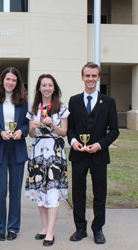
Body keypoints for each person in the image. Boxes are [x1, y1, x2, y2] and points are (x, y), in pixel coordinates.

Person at [67, 62, 119, 244]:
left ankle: (98, 229)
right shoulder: (73, 101)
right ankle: (80, 228)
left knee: (100, 193)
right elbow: (70, 129)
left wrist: (100, 145)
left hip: (99, 156)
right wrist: (73, 142)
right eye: (87, 75)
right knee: (78, 193)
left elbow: (114, 131)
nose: (90, 79)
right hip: (79, 155)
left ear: (98, 78)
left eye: (93, 76)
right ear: (82, 77)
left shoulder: (109, 102)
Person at [25, 74, 69, 247]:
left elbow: (64, 132)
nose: (47, 88)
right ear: (39, 88)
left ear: (54, 87)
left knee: (52, 191)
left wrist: (53, 126)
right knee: (40, 192)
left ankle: (50, 232)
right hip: (37, 154)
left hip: (55, 155)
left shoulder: (61, 108)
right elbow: (30, 133)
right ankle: (44, 227)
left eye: (50, 85)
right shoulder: (33, 108)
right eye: (44, 85)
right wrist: (33, 127)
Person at [0, 67, 28, 241]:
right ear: (2, 80)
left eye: (14, 80)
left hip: (17, 148)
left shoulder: (23, 101)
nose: (10, 82)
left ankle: (13, 227)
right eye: (8, 79)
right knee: (0, 190)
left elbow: (28, 124)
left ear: (17, 82)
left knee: (15, 190)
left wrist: (22, 131)